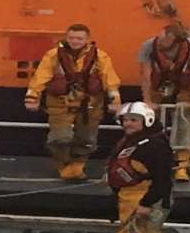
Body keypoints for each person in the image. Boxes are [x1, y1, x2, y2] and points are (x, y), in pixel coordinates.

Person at [94, 102, 176, 233]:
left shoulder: (153, 146)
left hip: (144, 198)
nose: (128, 124)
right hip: (131, 197)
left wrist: (147, 203)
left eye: (133, 120)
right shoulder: (135, 141)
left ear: (146, 121)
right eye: (125, 120)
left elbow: (163, 180)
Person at [24, 23, 122, 181]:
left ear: (87, 39)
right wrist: (32, 97)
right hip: (60, 103)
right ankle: (64, 165)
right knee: (59, 138)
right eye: (71, 37)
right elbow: (40, 77)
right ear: (66, 37)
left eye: (79, 38)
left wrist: (114, 101)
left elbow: (109, 80)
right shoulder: (53, 56)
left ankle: (76, 167)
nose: (75, 41)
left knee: (87, 139)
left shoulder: (100, 57)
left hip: (90, 105)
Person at [137, 21, 190, 181]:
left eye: (164, 38)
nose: (160, 40)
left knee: (183, 117)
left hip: (185, 86)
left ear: (174, 40)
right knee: (148, 118)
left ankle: (181, 165)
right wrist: (147, 100)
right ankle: (146, 160)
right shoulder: (149, 46)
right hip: (157, 85)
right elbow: (146, 74)